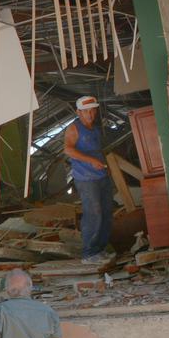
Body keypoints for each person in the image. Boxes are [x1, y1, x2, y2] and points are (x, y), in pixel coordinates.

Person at [63, 96, 114, 264]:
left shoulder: (95, 129)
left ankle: (100, 249)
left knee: (106, 212)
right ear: (78, 112)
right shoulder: (74, 128)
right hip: (86, 178)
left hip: (101, 175)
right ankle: (89, 253)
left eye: (92, 110)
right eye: (86, 111)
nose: (90, 114)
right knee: (94, 213)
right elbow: (68, 150)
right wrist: (91, 161)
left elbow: (98, 151)